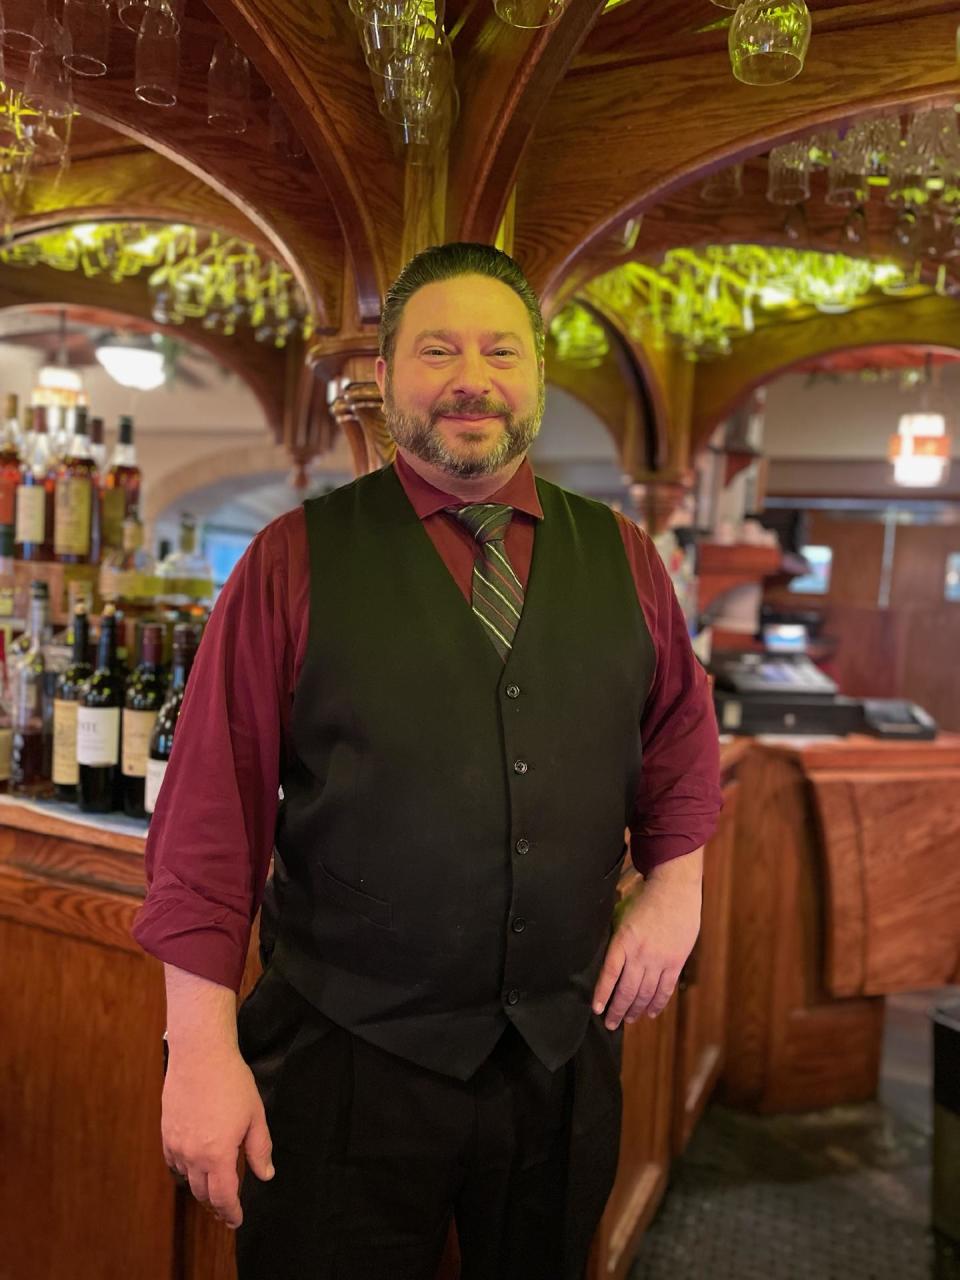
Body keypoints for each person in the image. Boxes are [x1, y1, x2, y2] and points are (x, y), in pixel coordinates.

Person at [132, 241, 722, 1280]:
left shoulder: (626, 554)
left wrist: (678, 882)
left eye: (501, 350)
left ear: (538, 373)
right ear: (388, 377)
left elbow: (679, 731)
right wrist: (199, 1048)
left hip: (561, 1054)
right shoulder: (290, 558)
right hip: (344, 1061)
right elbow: (209, 819)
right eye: (436, 349)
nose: (470, 378)